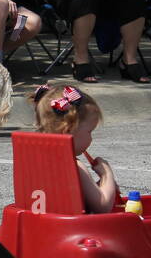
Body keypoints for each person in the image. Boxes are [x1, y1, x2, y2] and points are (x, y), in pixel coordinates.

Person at [29, 84, 118, 213]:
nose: (91, 139)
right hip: (71, 229)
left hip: (41, 224)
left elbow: (74, 195)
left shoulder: (39, 160)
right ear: (68, 131)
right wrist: (106, 175)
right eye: (89, 132)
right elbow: (102, 206)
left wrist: (101, 187)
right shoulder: (74, 166)